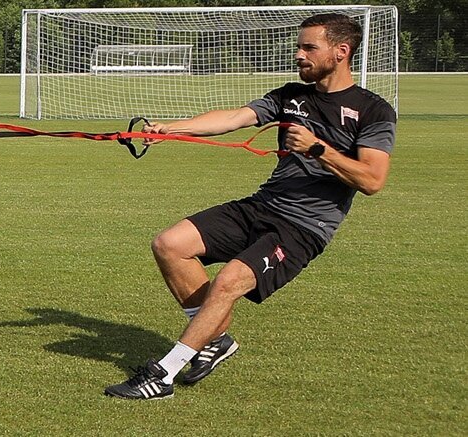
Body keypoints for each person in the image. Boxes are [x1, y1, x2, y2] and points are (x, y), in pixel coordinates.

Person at [104, 13, 396, 400]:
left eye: (309, 47)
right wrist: (171, 129)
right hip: (262, 205)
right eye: (299, 45)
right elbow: (233, 118)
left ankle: (163, 375)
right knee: (170, 244)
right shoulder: (291, 95)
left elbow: (372, 180)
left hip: (303, 228)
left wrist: (317, 149)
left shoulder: (374, 111)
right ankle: (214, 340)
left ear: (340, 52)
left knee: (229, 281)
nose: (298, 54)